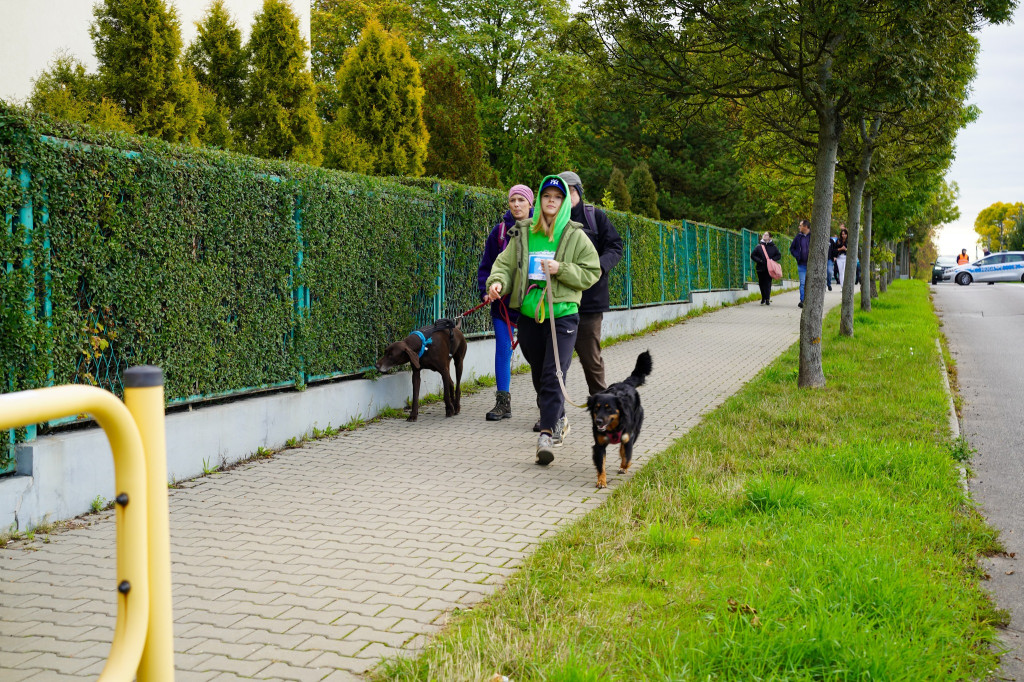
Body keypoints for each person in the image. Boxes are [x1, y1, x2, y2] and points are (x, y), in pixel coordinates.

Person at [485, 176, 600, 465]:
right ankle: (558, 416)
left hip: (562, 314)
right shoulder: (523, 232)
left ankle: (546, 434)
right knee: (538, 372)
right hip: (529, 314)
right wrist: (497, 283)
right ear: (540, 199)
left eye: (557, 197)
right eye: (547, 195)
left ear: (564, 202)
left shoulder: (574, 235)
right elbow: (504, 265)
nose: (551, 200)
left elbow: (592, 271)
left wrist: (562, 269)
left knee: (553, 373)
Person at [557, 171, 623, 398]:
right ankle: (551, 406)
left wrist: (599, 267)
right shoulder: (551, 220)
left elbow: (615, 246)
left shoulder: (595, 217)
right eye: (561, 192)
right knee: (555, 360)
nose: (566, 197)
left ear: (579, 192)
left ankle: (601, 403)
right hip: (559, 301)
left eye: (571, 191)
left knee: (591, 358)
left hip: (589, 302)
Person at [477, 184, 534, 421]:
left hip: (532, 304)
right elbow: (487, 265)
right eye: (513, 200)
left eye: (521, 200)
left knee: (537, 355)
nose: (516, 205)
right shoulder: (499, 232)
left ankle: (546, 404)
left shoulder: (541, 230)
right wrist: (486, 291)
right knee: (503, 350)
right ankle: (503, 403)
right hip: (502, 305)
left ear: (531, 203)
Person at [750, 231, 782, 305]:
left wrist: (772, 259)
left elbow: (778, 255)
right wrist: (759, 260)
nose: (764, 236)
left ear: (770, 237)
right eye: (764, 234)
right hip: (760, 268)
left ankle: (767, 299)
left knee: (768, 283)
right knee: (761, 283)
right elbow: (753, 255)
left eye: (766, 235)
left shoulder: (773, 247)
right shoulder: (759, 246)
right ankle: (763, 297)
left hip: (769, 269)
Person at [789, 219, 810, 308]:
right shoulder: (798, 237)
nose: (799, 227)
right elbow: (792, 248)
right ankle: (802, 300)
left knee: (811, 283)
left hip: (812, 265)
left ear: (805, 226)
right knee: (802, 283)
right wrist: (797, 255)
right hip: (801, 264)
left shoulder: (813, 236)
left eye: (800, 225)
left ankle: (811, 301)